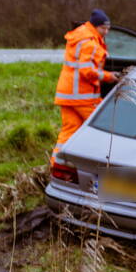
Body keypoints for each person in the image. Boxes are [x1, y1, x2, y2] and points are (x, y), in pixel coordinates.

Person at [52, 9, 117, 161]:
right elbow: (87, 71)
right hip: (82, 97)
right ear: (95, 26)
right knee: (103, 128)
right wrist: (109, 76)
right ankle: (101, 162)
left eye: (108, 29)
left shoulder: (79, 36)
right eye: (104, 28)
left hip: (67, 95)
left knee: (68, 132)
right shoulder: (90, 44)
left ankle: (56, 165)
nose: (106, 32)